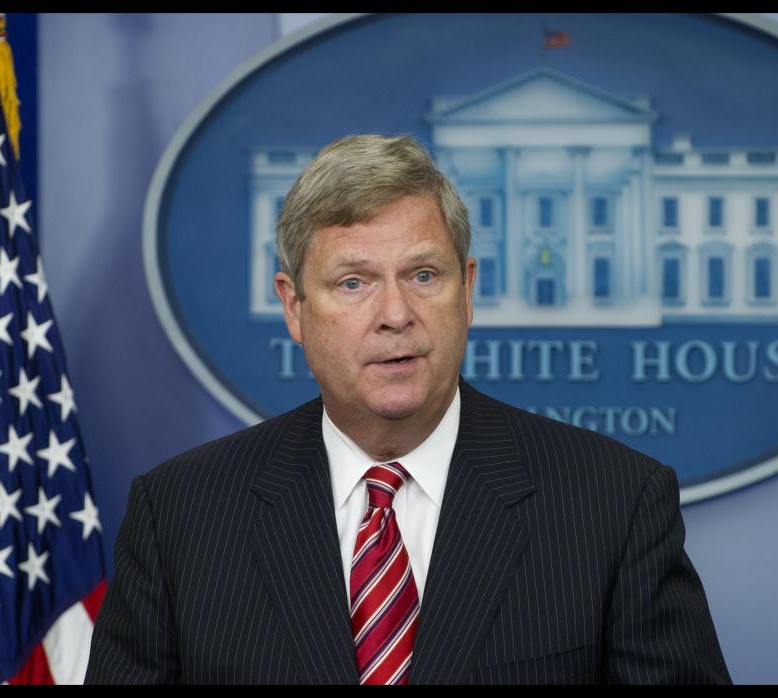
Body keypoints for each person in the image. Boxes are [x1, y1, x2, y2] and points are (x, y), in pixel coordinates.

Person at [86, 134, 731, 684]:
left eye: (424, 275)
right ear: (294, 308)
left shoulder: (612, 504)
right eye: (353, 283)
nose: (396, 315)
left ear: (468, 290)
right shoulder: (181, 517)